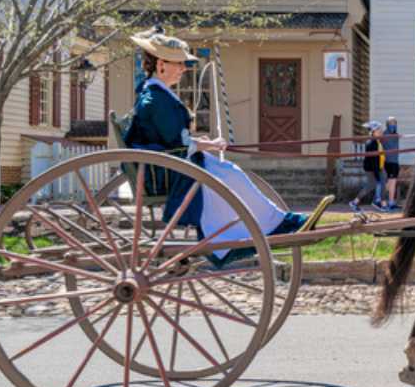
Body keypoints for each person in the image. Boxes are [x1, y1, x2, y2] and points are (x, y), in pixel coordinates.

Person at [124, 28, 331, 264]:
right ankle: (254, 234)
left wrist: (207, 144)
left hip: (179, 163)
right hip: (171, 171)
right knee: (230, 178)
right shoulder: (155, 98)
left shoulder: (159, 95)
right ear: (161, 65)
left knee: (233, 175)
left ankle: (278, 222)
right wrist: (206, 144)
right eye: (179, 64)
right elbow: (176, 141)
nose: (183, 69)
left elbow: (175, 137)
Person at [348, 120, 388, 212]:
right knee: (371, 185)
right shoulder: (371, 143)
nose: (381, 132)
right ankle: (355, 202)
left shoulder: (377, 141)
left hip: (379, 167)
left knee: (382, 183)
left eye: (380, 130)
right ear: (373, 132)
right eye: (379, 130)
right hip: (372, 169)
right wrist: (377, 173)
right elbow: (373, 160)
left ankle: (381, 203)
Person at [381, 116, 402, 210]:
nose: (393, 125)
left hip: (395, 162)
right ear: (387, 125)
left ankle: (391, 202)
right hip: (388, 162)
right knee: (389, 184)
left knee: (393, 183)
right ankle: (383, 202)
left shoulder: (396, 135)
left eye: (394, 123)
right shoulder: (384, 134)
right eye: (391, 124)